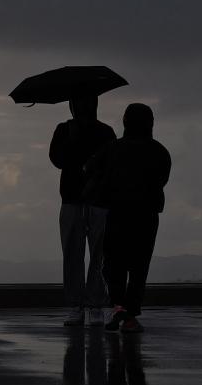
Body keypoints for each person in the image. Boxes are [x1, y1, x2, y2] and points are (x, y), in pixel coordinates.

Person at [83, 102, 171, 332]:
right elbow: (162, 179)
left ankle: (118, 310)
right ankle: (131, 315)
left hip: (117, 214)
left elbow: (89, 168)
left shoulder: (112, 149)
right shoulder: (159, 151)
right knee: (139, 266)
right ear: (149, 123)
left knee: (114, 265)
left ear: (125, 122)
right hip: (146, 216)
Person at [47, 92, 114, 325]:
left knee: (97, 255)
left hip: (96, 202)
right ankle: (78, 305)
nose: (83, 106)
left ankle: (93, 304)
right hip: (75, 200)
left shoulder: (105, 132)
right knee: (75, 254)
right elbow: (56, 158)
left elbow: (110, 165)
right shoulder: (65, 130)